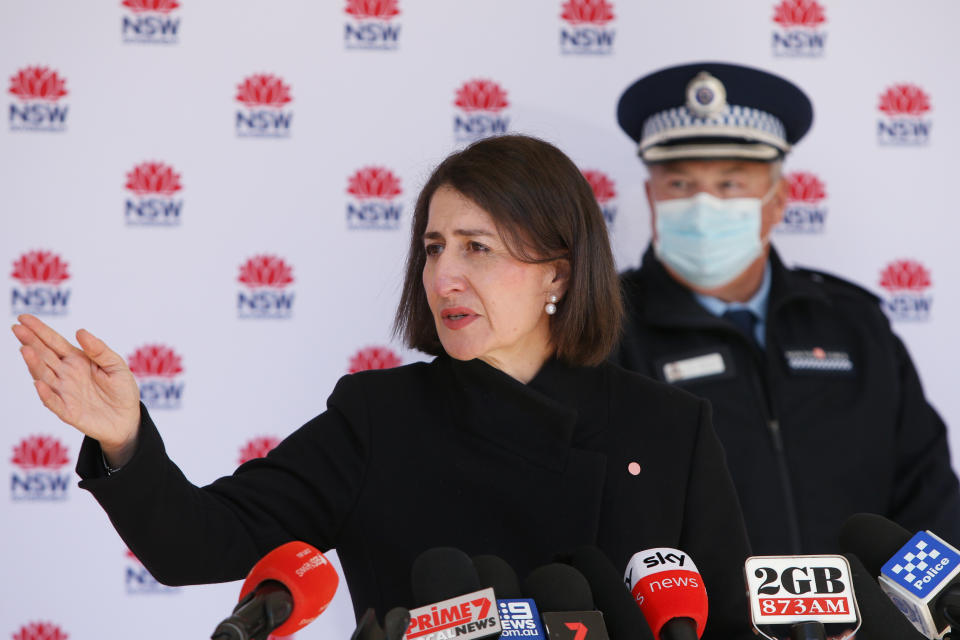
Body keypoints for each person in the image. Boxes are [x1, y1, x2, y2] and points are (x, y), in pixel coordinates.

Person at [13, 135, 755, 639]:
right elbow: (198, 544)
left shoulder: (670, 428)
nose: (443, 276)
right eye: (433, 248)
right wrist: (123, 437)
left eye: (476, 248)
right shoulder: (380, 418)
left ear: (558, 273)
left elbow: (726, 623)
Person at [613, 62, 960, 556]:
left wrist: (900, 614)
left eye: (731, 185)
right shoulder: (606, 331)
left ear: (779, 201)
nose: (704, 206)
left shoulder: (855, 324)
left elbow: (928, 496)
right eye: (680, 186)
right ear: (650, 197)